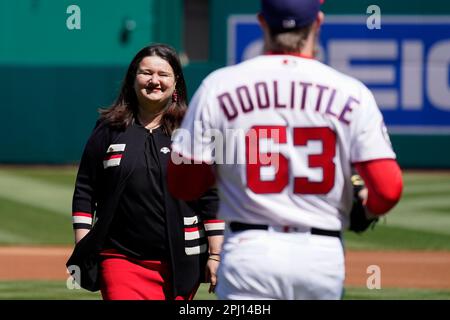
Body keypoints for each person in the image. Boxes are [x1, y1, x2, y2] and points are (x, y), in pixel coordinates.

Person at [167, 0, 403, 300]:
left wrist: (225, 172)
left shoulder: (219, 86)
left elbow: (183, 184)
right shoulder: (352, 93)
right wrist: (365, 208)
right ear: (318, 22)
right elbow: (388, 189)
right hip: (320, 256)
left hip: (249, 251)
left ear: (262, 22)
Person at [66, 44, 224, 300]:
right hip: (120, 259)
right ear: (132, 79)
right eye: (146, 73)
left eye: (163, 74)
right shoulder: (109, 128)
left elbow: (209, 197)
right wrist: (84, 244)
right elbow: (86, 188)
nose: (154, 81)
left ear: (176, 84)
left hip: (182, 261)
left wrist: (216, 254)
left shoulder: (193, 130)